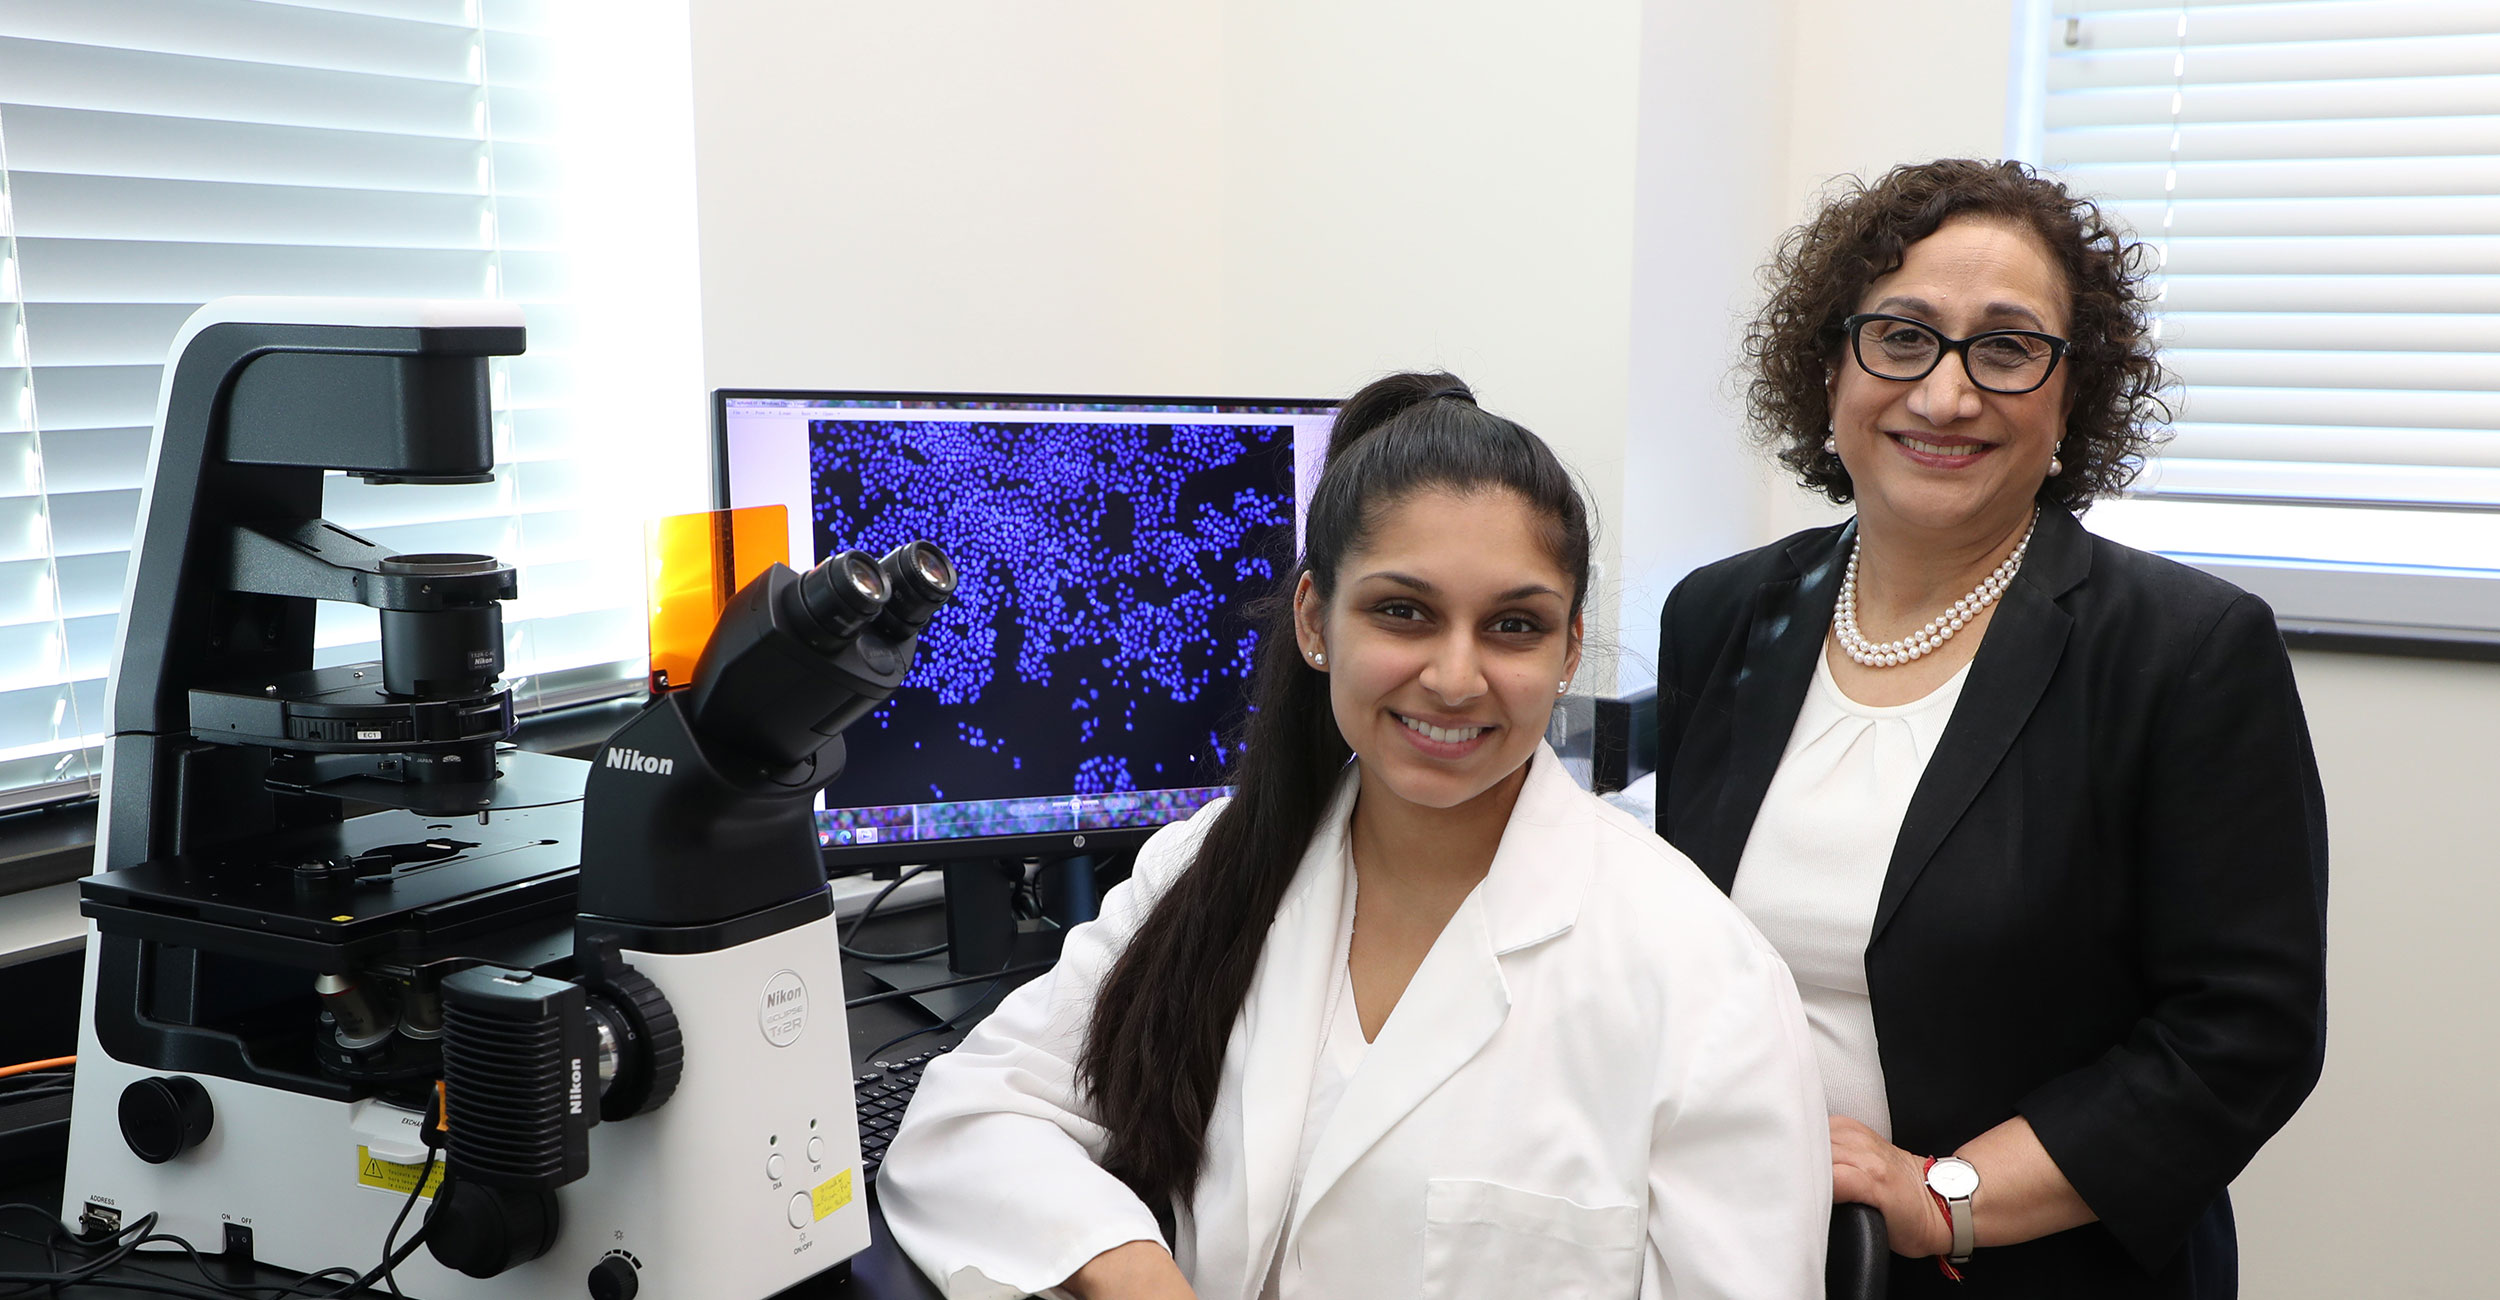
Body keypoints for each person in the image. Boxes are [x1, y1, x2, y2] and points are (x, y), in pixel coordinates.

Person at [882, 373, 1829, 1299]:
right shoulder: (1210, 869)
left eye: (1513, 625)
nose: (1456, 679)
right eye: (1403, 612)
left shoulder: (1705, 980)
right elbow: (973, 1118)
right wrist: (1129, 1267)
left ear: (1570, 648)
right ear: (1312, 619)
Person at [1652, 158, 2329, 1298]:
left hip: (2030, 1266)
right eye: (1901, 337)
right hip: (1736, 1250)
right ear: (1829, 368)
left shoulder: (2184, 649)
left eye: (2006, 348)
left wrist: (1943, 1198)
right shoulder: (1719, 615)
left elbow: (2242, 1034)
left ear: (2072, 396)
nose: (1945, 394)